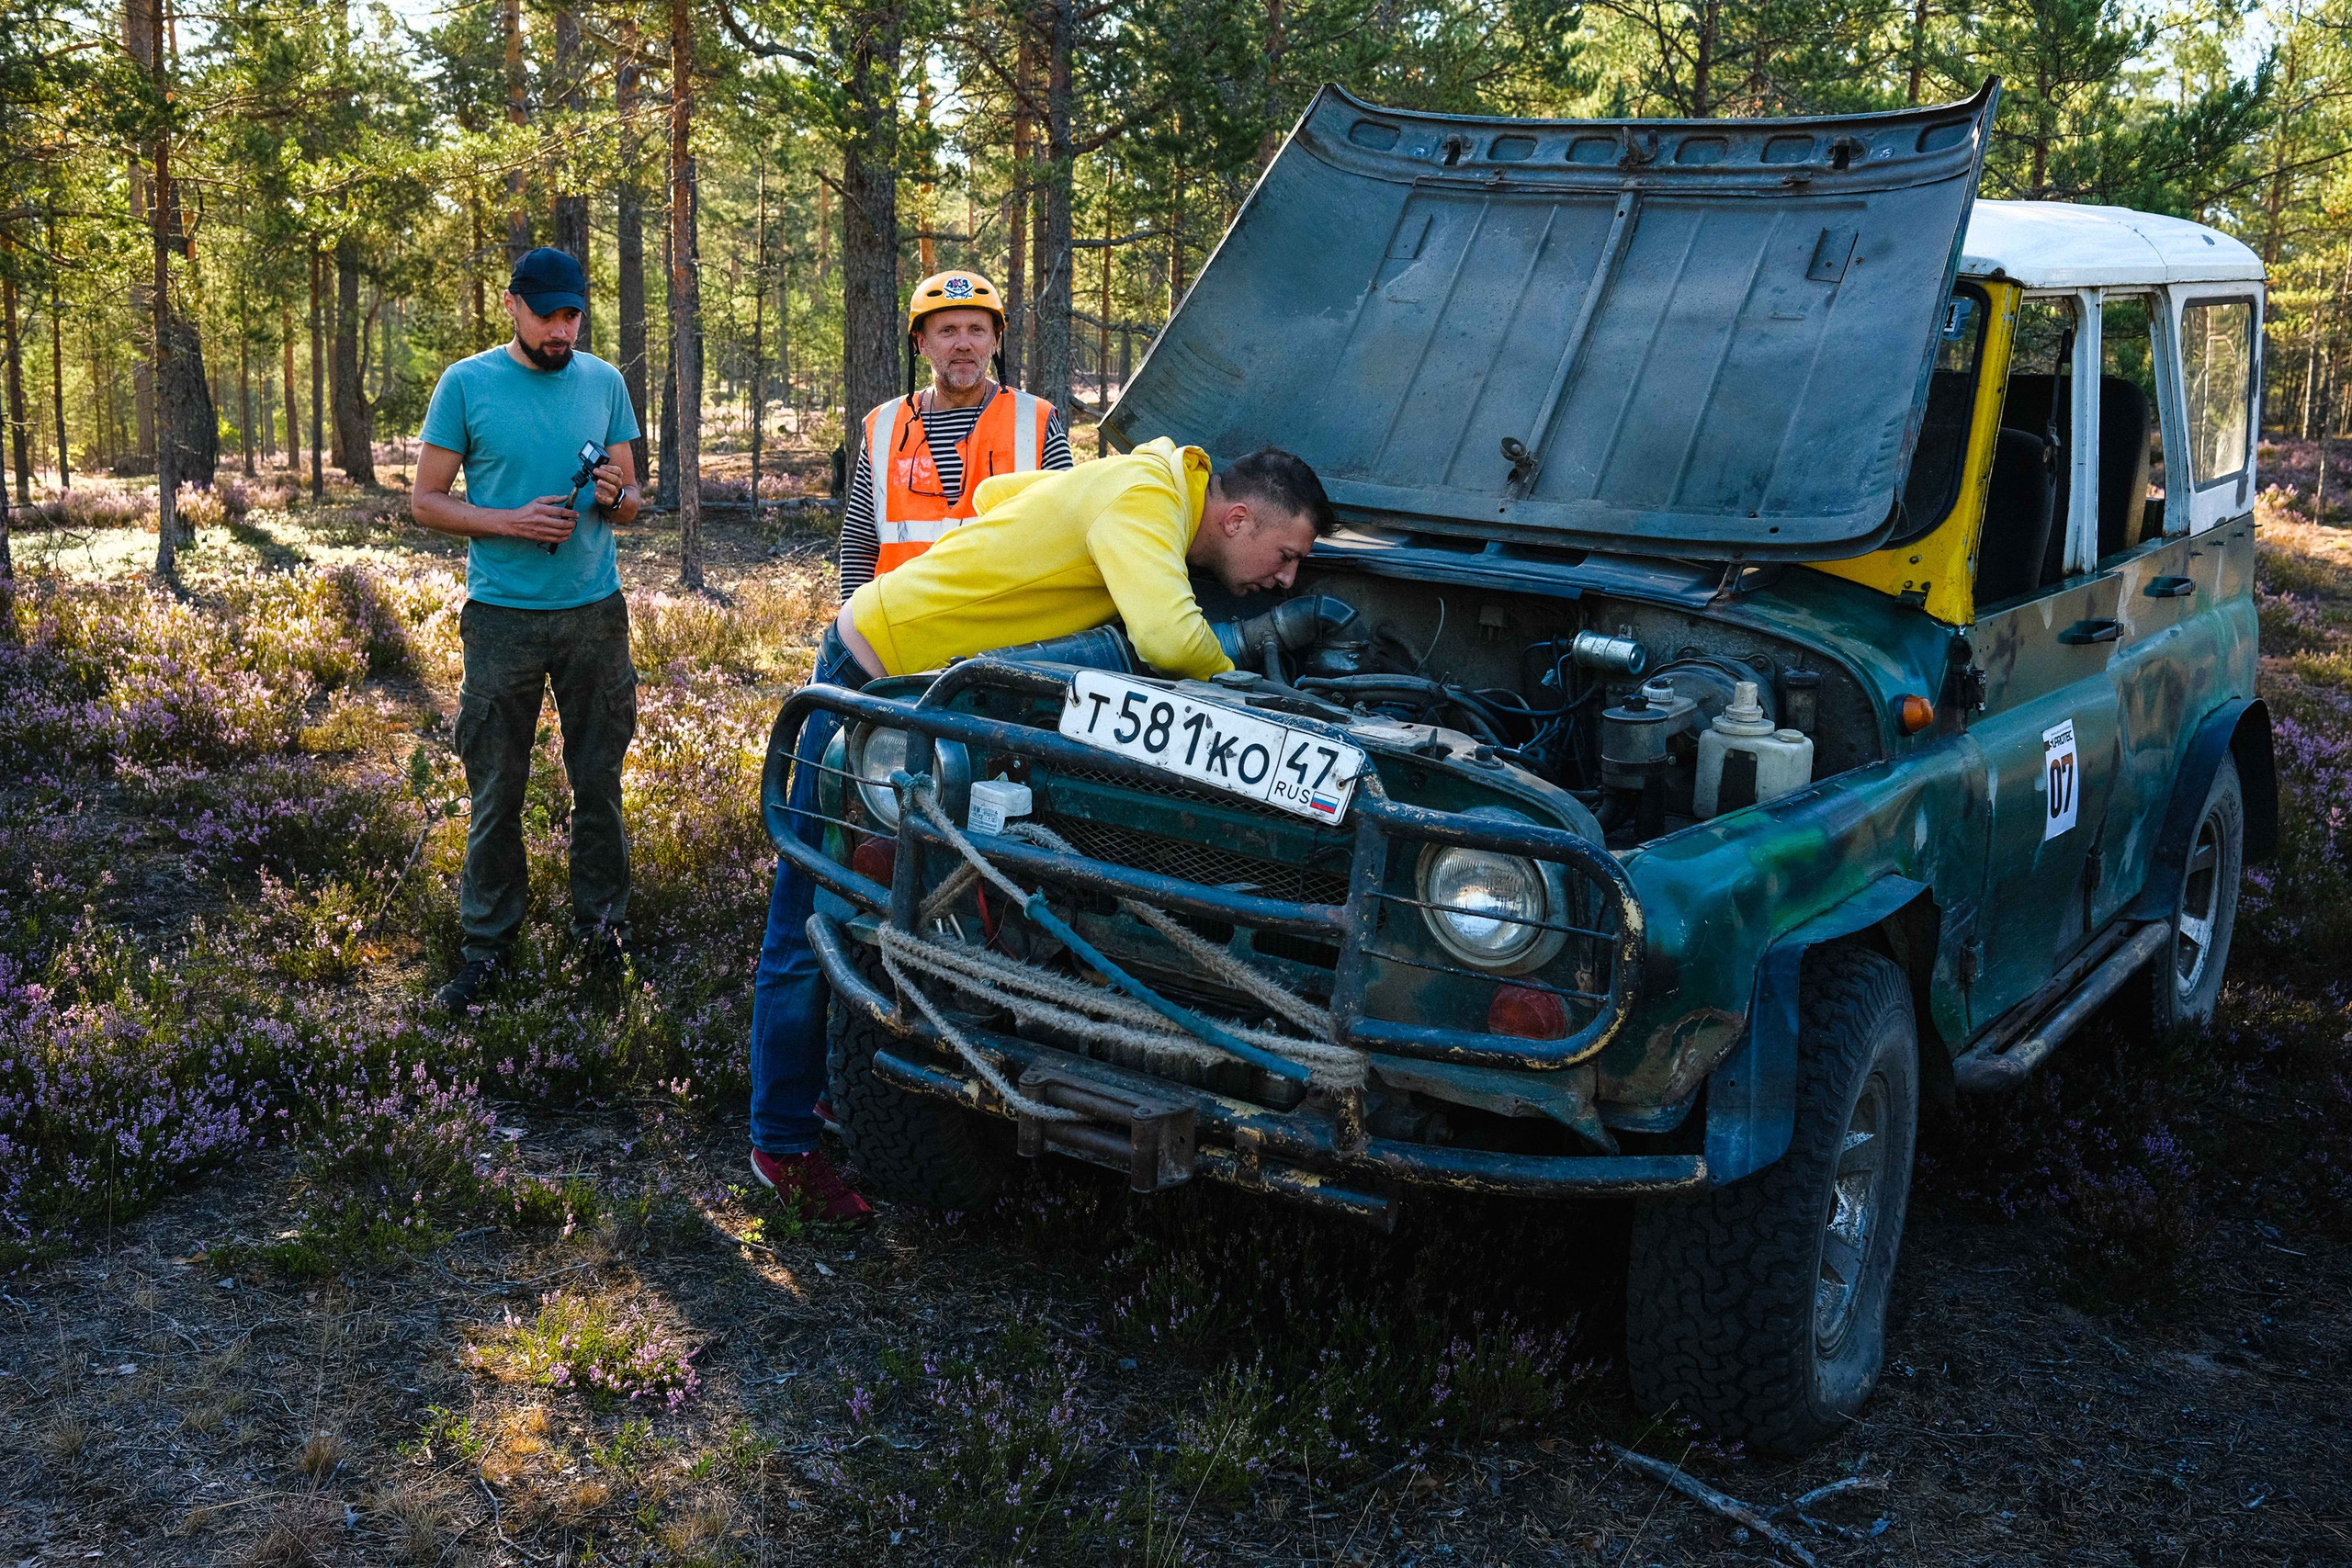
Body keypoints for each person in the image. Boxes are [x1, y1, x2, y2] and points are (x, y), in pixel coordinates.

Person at [747, 435, 1337, 1220]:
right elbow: (1167, 639)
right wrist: (1250, 691)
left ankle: (814, 1094)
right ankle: (781, 1143)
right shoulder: (1147, 497)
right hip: (879, 669)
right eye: (1286, 555)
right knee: (814, 910)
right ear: (1236, 520)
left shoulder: (1145, 479)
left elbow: (999, 498)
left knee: (862, 906)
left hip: (922, 679)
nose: (1287, 579)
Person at [412, 246, 645, 1014]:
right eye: (547, 315)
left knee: (599, 783)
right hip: (501, 620)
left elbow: (631, 501)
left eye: (572, 315)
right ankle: (488, 949)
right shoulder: (466, 384)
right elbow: (426, 501)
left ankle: (602, 935)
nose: (561, 330)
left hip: (594, 615)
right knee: (496, 788)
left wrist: (615, 496)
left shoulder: (604, 383)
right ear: (512, 305)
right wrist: (509, 521)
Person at [835, 269, 1072, 600]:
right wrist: (854, 620)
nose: (963, 344)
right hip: (904, 619)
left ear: (995, 340)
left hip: (1008, 620)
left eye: (976, 330)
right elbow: (860, 544)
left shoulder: (1037, 420)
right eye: (947, 331)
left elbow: (1069, 533)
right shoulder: (883, 426)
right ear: (921, 343)